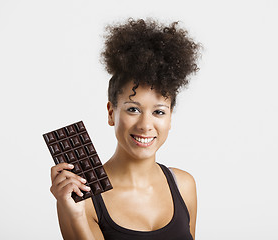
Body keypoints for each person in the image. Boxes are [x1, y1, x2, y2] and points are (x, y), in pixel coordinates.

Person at [50, 18, 201, 240]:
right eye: (133, 109)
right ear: (111, 113)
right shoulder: (82, 196)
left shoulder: (183, 185)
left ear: (170, 119)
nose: (145, 125)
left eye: (159, 112)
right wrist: (75, 216)